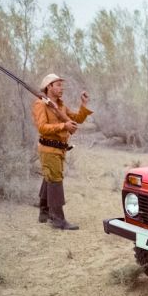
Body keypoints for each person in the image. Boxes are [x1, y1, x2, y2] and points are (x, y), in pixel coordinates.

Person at [32, 73, 93, 230]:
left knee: (49, 178)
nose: (61, 88)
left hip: (59, 149)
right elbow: (42, 127)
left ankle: (44, 213)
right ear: (49, 87)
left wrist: (83, 104)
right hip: (48, 148)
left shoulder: (61, 105)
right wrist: (63, 126)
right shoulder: (40, 104)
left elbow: (76, 119)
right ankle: (58, 220)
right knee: (55, 181)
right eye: (58, 84)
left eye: (61, 84)